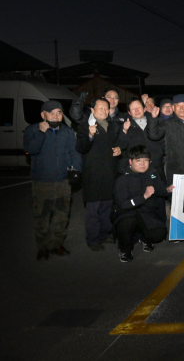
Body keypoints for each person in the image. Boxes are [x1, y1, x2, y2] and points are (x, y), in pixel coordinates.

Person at [24, 100, 82, 260]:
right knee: (42, 216)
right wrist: (41, 133)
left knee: (62, 215)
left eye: (59, 112)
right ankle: (42, 246)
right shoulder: (32, 130)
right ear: (43, 115)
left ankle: (57, 244)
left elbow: (74, 152)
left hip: (63, 181)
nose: (56, 116)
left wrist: (76, 169)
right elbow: (30, 149)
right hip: (42, 182)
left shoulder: (68, 131)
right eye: (52, 112)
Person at [76, 98, 125, 251]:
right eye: (100, 108)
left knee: (107, 206)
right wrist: (89, 136)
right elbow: (81, 148)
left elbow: (117, 144)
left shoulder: (112, 126)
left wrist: (119, 150)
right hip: (93, 175)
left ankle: (106, 233)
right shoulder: (85, 126)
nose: (103, 111)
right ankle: (93, 239)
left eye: (106, 108)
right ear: (92, 109)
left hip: (109, 173)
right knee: (93, 209)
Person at [112, 145, 175, 263]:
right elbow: (123, 205)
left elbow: (160, 189)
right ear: (130, 161)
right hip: (127, 214)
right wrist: (144, 197)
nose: (143, 164)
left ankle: (143, 237)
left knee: (160, 234)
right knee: (127, 224)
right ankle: (125, 249)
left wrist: (167, 189)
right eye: (138, 160)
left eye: (145, 160)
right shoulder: (122, 178)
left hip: (146, 213)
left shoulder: (152, 173)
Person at [146, 94, 184, 185]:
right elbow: (153, 135)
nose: (181, 108)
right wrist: (153, 119)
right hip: (174, 171)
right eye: (178, 105)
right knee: (176, 197)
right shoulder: (167, 124)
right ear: (173, 108)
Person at [121, 98, 165, 182]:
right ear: (129, 112)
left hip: (156, 165)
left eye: (139, 107)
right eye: (133, 108)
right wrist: (124, 131)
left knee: (160, 190)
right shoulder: (125, 125)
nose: (137, 110)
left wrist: (160, 155)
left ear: (144, 109)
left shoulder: (156, 120)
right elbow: (121, 145)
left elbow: (164, 141)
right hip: (138, 168)